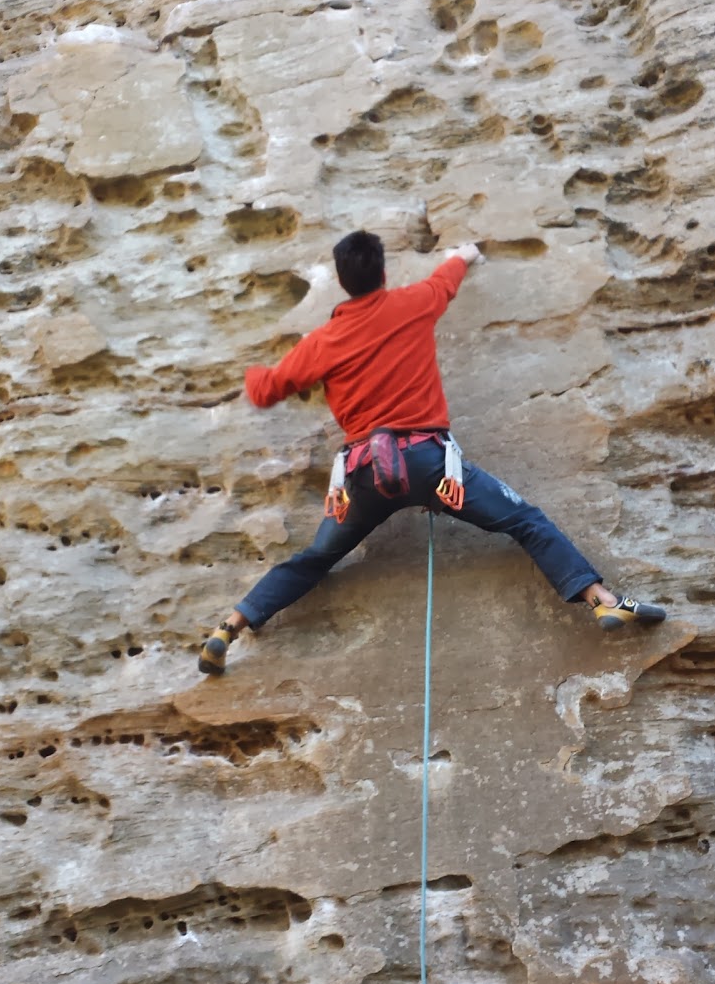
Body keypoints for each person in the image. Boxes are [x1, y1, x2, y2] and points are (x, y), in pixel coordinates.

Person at [198, 231, 665, 674]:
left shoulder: (322, 342)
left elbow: (265, 390)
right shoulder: (412, 304)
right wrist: (465, 253)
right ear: (382, 273)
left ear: (342, 281)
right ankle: (601, 600)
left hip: (362, 478)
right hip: (430, 465)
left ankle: (229, 627)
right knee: (525, 521)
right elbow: (447, 279)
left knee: (314, 558)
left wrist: (250, 367)